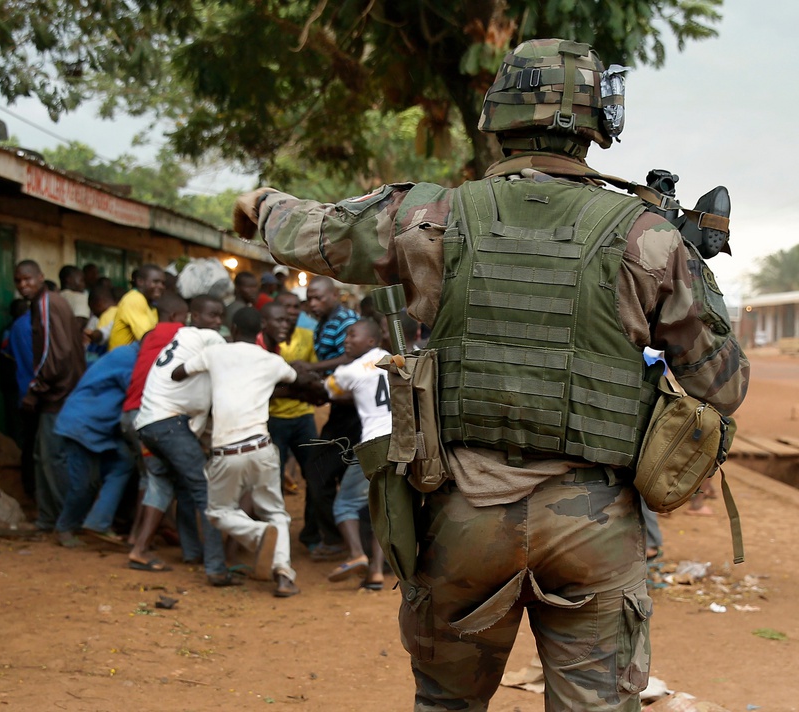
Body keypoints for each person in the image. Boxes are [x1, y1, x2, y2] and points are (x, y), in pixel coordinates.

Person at [233, 38, 750, 710]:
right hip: (593, 522)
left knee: (447, 704)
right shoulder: (647, 235)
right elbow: (724, 388)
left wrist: (259, 203)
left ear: (497, 116)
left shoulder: (432, 216)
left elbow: (318, 232)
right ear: (599, 123)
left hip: (462, 513)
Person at [172, 307, 310, 598]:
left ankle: (258, 535)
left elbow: (178, 372)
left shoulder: (216, 354)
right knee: (276, 513)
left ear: (232, 329)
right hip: (262, 448)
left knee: (218, 512)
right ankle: (284, 574)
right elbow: (296, 378)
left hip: (227, 451)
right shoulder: (271, 360)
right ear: (260, 332)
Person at [130, 296, 233, 583]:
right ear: (193, 316)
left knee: (176, 487)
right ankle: (216, 569)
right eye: (211, 315)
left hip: (148, 424)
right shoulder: (209, 338)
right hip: (169, 424)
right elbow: (233, 366)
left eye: (220, 316)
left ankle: (163, 551)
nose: (217, 321)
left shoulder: (182, 338)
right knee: (206, 490)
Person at [13, 260, 87, 533]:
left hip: (58, 394)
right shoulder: (51, 302)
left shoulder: (46, 304)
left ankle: (65, 522)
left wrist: (36, 389)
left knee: (53, 458)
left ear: (41, 277)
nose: (23, 286)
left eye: (28, 279)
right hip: (62, 393)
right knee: (42, 456)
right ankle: (48, 518)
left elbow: (53, 354)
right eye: (19, 281)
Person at [322, 319, 389, 591]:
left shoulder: (350, 371)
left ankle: (356, 554)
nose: (346, 340)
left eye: (353, 335)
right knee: (384, 509)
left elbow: (331, 390)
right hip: (402, 442)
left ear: (371, 341)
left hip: (374, 444)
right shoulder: (389, 358)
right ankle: (375, 572)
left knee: (345, 504)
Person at [52, 340, 139, 548]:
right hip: (84, 425)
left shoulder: (126, 353)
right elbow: (137, 394)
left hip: (99, 427)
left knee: (123, 463)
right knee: (83, 485)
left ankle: (99, 521)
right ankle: (65, 527)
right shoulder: (130, 359)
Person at [299, 275, 360, 561]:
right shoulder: (320, 324)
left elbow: (351, 358)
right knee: (322, 471)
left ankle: (335, 539)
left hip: (354, 411)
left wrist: (313, 368)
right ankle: (326, 534)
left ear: (334, 295)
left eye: (318, 297)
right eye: (310, 298)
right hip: (338, 406)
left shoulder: (346, 321)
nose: (313, 303)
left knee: (320, 470)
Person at [267, 292, 320, 507]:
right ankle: (274, 528)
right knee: (273, 479)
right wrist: (296, 386)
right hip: (273, 418)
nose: (291, 311)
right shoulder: (267, 341)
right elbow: (265, 386)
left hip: (303, 417)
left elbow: (313, 378)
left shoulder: (308, 336)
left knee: (315, 474)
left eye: (295, 306)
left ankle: (312, 534)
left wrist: (288, 385)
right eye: (286, 306)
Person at [107, 264, 166, 349]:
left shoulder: (150, 303)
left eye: (163, 283)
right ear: (140, 282)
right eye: (155, 282)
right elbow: (148, 338)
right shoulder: (134, 299)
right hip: (123, 359)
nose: (161, 286)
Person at [58, 265, 91, 332]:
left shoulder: (55, 296)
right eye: (81, 280)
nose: (84, 284)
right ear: (69, 279)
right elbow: (79, 324)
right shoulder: (79, 297)